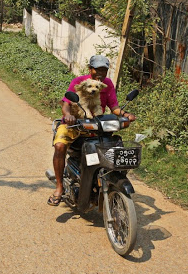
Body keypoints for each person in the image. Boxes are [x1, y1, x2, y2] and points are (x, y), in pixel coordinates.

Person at [48, 55, 136, 206]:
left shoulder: (107, 84)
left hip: (96, 125)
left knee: (112, 148)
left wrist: (125, 115)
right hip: (74, 124)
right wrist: (68, 115)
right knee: (60, 146)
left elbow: (114, 107)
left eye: (104, 70)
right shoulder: (79, 82)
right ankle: (59, 187)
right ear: (90, 69)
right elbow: (66, 103)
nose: (101, 73)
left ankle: (100, 181)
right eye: (97, 69)